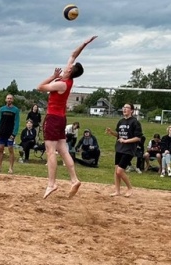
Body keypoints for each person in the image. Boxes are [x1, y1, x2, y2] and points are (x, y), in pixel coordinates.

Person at [36, 35, 97, 198]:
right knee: (63, 150)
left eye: (69, 67)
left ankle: (51, 184)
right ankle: (74, 179)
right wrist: (84, 43)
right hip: (61, 118)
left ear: (70, 71)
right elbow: (73, 55)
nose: (67, 67)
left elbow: (40, 87)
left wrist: (51, 76)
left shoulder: (62, 83)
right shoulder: (67, 79)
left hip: (54, 118)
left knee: (50, 151)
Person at [105, 102, 142, 197]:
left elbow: (138, 138)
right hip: (119, 148)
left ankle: (130, 188)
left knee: (120, 171)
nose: (124, 109)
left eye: (127, 107)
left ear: (132, 110)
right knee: (116, 170)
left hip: (129, 149)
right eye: (124, 107)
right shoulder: (121, 121)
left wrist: (126, 141)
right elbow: (119, 135)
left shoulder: (135, 122)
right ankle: (117, 191)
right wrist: (111, 133)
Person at [0, 93, 20, 173]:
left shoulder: (16, 110)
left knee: (10, 149)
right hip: (2, 132)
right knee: (0, 149)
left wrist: (14, 134)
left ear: (12, 100)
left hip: (10, 133)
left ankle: (11, 168)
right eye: (8, 98)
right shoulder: (2, 109)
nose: (9, 100)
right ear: (6, 99)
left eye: (10, 98)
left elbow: (17, 122)